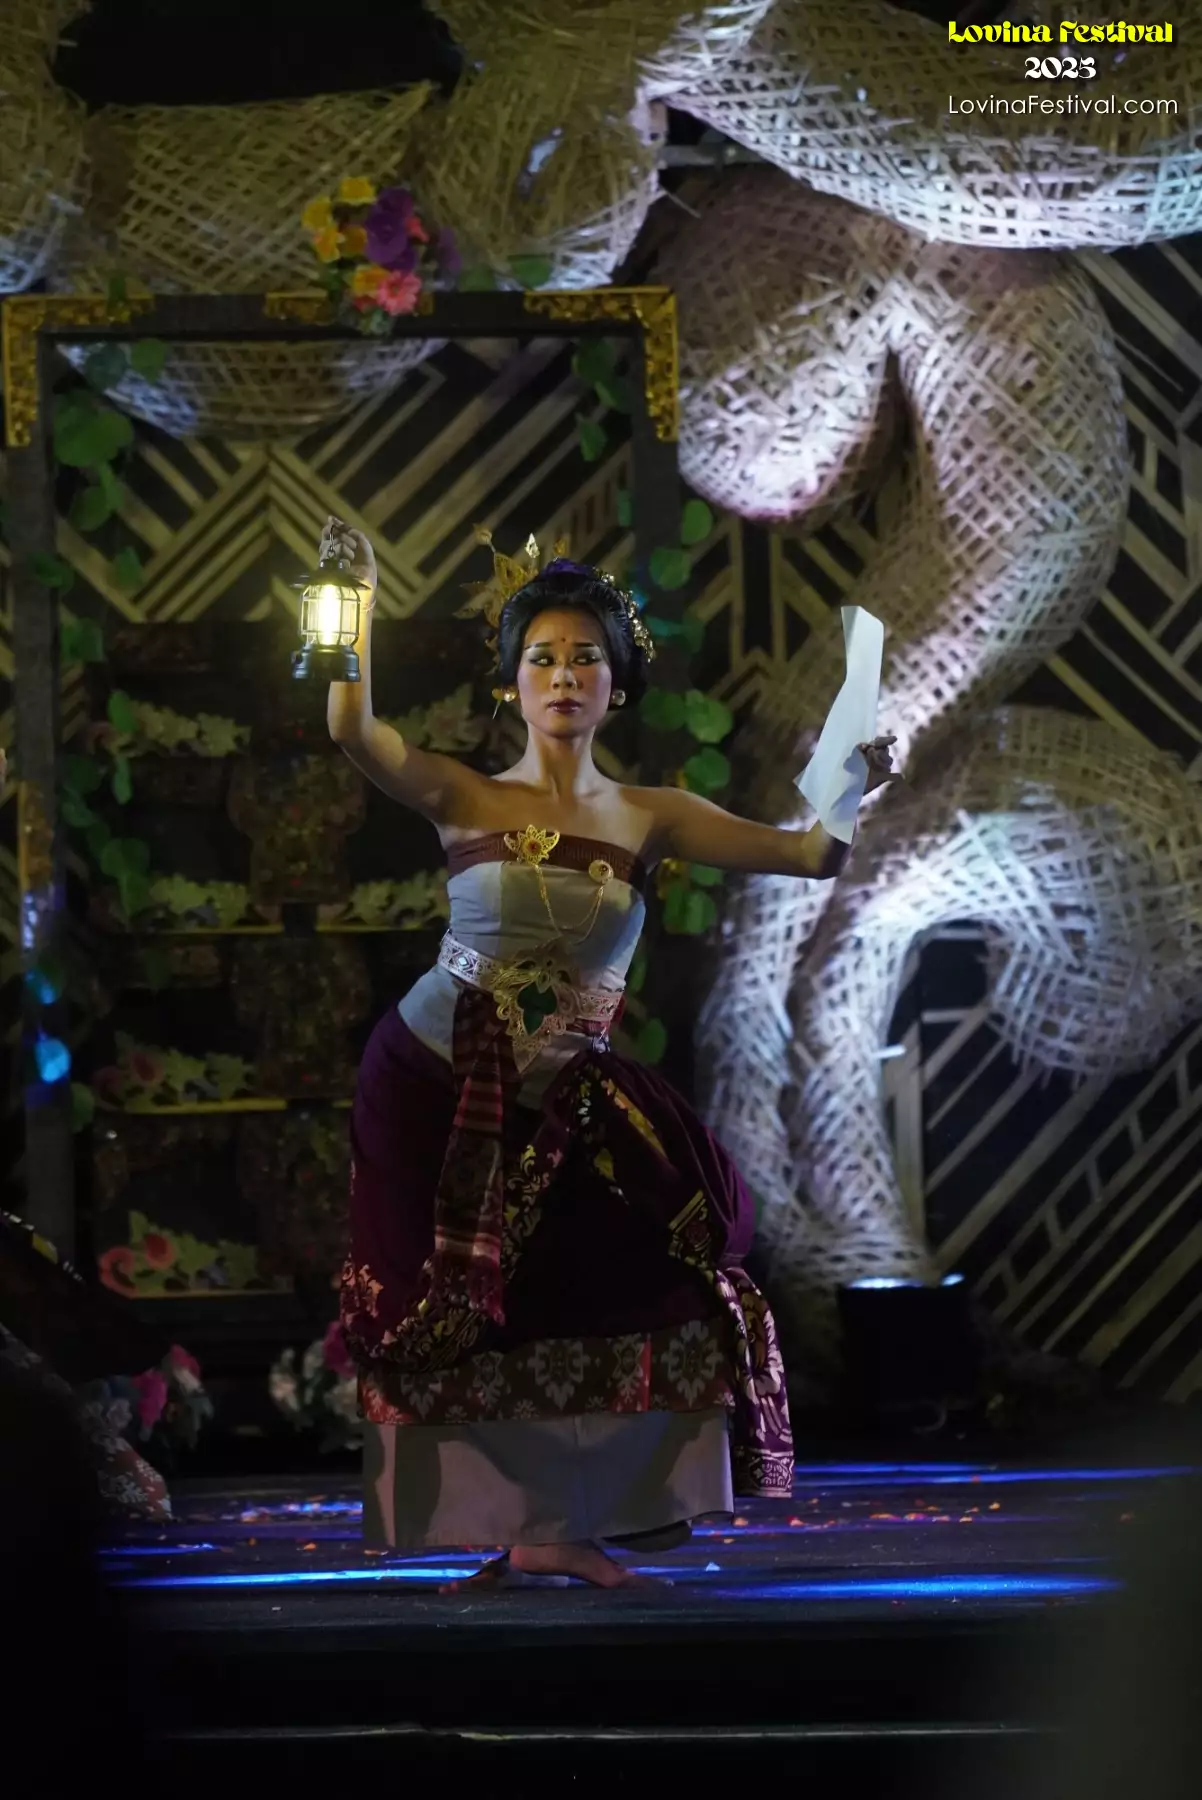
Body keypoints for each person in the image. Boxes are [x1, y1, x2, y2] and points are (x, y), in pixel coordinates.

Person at [326, 514, 896, 1588]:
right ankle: (511, 1520)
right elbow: (353, 728)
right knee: (446, 1309)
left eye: (585, 656)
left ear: (616, 685)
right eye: (541, 657)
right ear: (511, 685)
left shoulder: (650, 814)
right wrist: (349, 605)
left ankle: (562, 1523)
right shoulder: (461, 793)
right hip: (428, 1082)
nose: (563, 675)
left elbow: (811, 855)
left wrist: (848, 783)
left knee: (638, 1269)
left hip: (562, 1094)